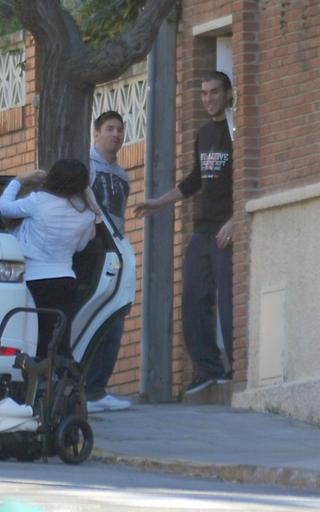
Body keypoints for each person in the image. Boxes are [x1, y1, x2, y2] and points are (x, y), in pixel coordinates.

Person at [134, 71, 234, 395]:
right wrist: (159, 203)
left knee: (230, 304)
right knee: (192, 301)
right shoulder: (204, 133)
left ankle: (239, 370)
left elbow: (248, 174)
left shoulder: (236, 130)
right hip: (201, 231)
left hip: (227, 230)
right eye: (204, 93)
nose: (209, 99)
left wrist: (236, 221)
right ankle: (207, 369)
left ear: (229, 93)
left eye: (215, 92)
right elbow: (195, 180)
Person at [0, 159, 97, 360]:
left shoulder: (38, 201)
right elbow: (80, 247)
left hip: (34, 280)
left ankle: (32, 384)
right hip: (65, 281)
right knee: (58, 339)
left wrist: (19, 180)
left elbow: (3, 208)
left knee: (32, 337)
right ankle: (59, 381)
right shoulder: (86, 214)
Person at [85, 111, 132, 413]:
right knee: (92, 318)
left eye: (119, 129)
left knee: (114, 317)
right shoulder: (86, 166)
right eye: (109, 129)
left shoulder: (122, 175)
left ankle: (97, 390)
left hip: (114, 253)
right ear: (96, 133)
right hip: (90, 252)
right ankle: (85, 389)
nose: (115, 134)